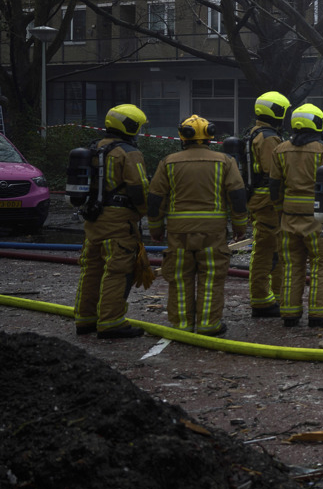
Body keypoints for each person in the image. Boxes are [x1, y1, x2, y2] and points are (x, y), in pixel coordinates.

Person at [146, 115, 249, 336]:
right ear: (210, 137)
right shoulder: (225, 161)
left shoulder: (168, 162)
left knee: (180, 279)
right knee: (211, 277)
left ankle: (182, 326)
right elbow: (237, 196)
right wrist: (240, 227)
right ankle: (208, 325)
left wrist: (155, 230)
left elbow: (156, 199)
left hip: (178, 233)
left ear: (182, 137)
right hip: (213, 233)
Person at [73, 104, 151, 339]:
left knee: (92, 269)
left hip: (93, 220)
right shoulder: (129, 153)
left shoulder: (93, 149)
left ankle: (85, 319)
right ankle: (111, 322)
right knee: (118, 270)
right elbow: (139, 189)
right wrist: (147, 213)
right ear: (130, 126)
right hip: (119, 222)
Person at [270, 103, 323, 328]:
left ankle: (289, 313)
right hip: (318, 218)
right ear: (318, 123)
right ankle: (319, 314)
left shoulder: (280, 149)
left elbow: (274, 186)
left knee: (290, 265)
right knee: (322, 264)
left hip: (288, 217)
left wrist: (281, 209)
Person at [245, 91, 290, 318]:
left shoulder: (256, 133)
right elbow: (273, 171)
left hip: (261, 201)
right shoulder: (269, 138)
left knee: (273, 249)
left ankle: (274, 296)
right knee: (267, 251)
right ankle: (262, 299)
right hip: (268, 203)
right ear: (277, 112)